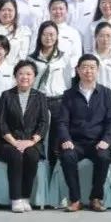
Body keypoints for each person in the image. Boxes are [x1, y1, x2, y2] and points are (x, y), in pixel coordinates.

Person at [56, 55, 111, 212]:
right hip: (75, 142)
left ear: (98, 70)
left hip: (97, 142)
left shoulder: (106, 93)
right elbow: (62, 122)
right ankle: (75, 199)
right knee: (67, 156)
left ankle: (96, 198)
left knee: (104, 157)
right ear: (78, 70)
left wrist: (106, 140)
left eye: (92, 67)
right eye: (84, 67)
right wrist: (66, 139)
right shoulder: (69, 94)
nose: (88, 71)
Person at [0, 60, 49, 213]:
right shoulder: (6, 95)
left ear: (34, 77)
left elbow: (44, 122)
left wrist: (31, 141)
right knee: (16, 155)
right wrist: (14, 142)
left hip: (32, 142)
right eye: (21, 74)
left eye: (29, 74)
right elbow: (1, 122)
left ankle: (25, 197)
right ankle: (16, 198)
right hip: (8, 142)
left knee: (31, 156)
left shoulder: (40, 97)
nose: (25, 77)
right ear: (15, 76)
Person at [27, 21, 74, 162]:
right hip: (38, 101)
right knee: (37, 136)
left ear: (57, 36)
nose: (49, 38)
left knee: (56, 139)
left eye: (52, 34)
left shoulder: (63, 57)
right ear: (39, 36)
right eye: (45, 34)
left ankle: (54, 168)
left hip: (58, 101)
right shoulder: (31, 58)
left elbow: (68, 81)